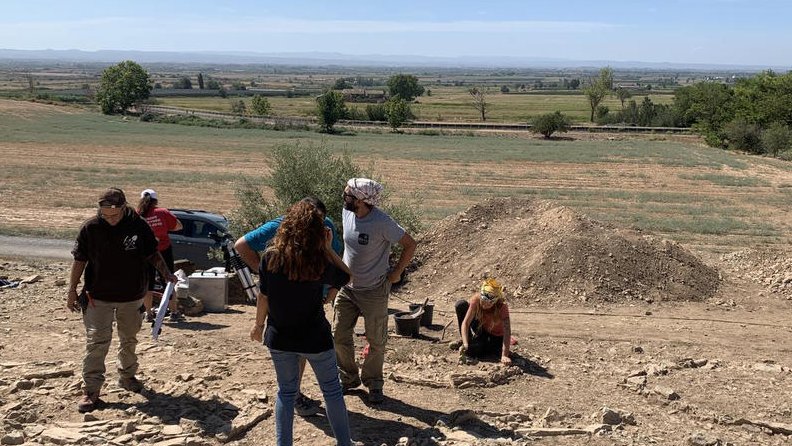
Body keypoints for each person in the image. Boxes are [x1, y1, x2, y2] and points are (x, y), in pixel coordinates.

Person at [249, 201, 354, 446]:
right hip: (314, 337)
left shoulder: (270, 257)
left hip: (280, 336)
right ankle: (344, 443)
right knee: (332, 392)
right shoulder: (317, 260)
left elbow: (263, 296)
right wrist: (329, 249)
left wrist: (258, 325)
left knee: (285, 393)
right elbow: (348, 276)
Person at [66, 187, 177, 413]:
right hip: (97, 297)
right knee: (97, 342)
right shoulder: (91, 228)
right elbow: (80, 260)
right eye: (106, 215)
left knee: (129, 339)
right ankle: (91, 390)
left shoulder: (139, 226)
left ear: (124, 207)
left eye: (114, 215)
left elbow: (152, 254)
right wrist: (71, 289)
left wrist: (166, 273)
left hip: (131, 296)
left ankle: (127, 376)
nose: (110, 220)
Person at [234, 196, 342, 417]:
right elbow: (241, 245)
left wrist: (333, 287)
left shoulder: (326, 226)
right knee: (296, 349)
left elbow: (336, 259)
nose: (316, 224)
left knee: (298, 350)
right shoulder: (278, 226)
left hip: (314, 299)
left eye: (319, 220)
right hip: (286, 303)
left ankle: (293, 394)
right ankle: (294, 396)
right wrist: (265, 273)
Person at [333, 178, 417, 404]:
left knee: (376, 340)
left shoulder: (382, 222)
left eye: (348, 195)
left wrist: (397, 272)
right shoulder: (346, 212)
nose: (344, 198)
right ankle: (349, 378)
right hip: (347, 288)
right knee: (339, 335)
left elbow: (410, 244)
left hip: (374, 290)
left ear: (361, 200)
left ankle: (374, 383)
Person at [137, 188, 183, 323]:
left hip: (145, 253)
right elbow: (179, 226)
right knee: (168, 281)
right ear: (155, 200)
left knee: (148, 283)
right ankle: (174, 312)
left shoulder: (137, 215)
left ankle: (149, 314)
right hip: (164, 251)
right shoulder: (162, 213)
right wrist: (163, 228)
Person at [455, 278, 513, 365]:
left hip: (495, 336)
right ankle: (467, 341)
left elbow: (507, 332)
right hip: (482, 328)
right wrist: (466, 343)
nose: (485, 305)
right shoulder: (476, 300)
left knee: (476, 350)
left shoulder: (502, 307)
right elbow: (466, 323)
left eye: (489, 303)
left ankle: (475, 346)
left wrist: (504, 355)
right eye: (483, 301)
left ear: (494, 302)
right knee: (461, 305)